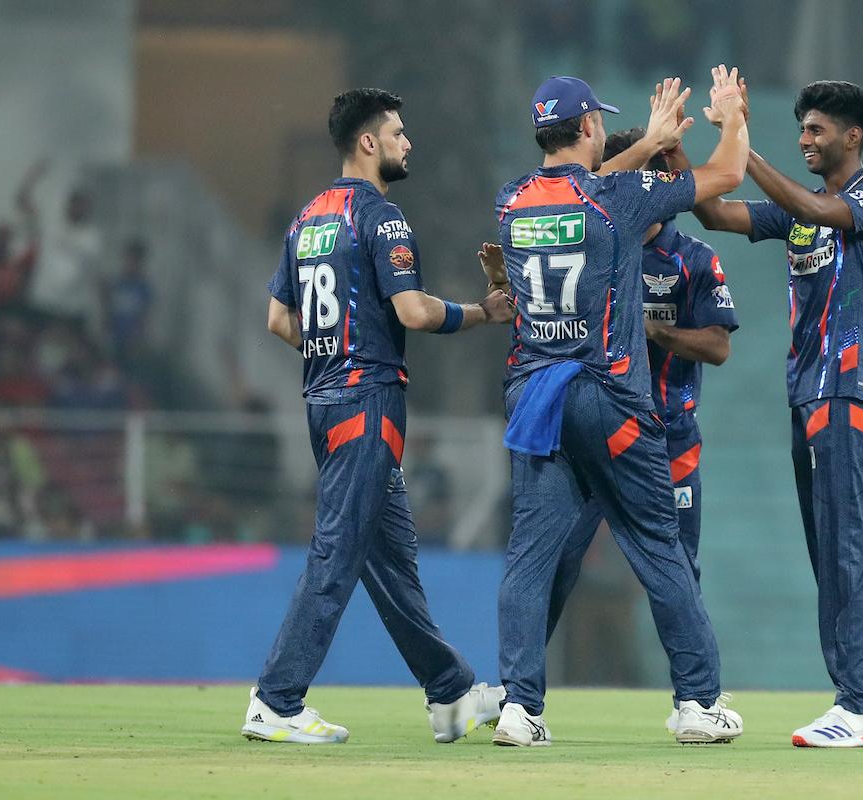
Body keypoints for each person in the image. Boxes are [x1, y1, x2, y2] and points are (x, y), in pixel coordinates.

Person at [243, 88, 514, 746]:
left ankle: (449, 694)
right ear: (369, 142)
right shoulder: (382, 217)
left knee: (389, 558)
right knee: (337, 551)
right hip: (368, 404)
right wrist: (485, 313)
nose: (406, 142)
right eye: (397, 132)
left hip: (325, 402)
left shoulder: (307, 218)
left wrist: (331, 355)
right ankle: (276, 700)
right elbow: (414, 313)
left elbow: (279, 319)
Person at [489, 67, 749, 747]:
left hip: (533, 397)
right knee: (659, 548)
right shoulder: (618, 200)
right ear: (587, 128)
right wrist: (731, 119)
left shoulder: (511, 200)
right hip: (608, 397)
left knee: (530, 557)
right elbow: (723, 177)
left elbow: (580, 187)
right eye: (598, 121)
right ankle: (697, 704)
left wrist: (642, 145)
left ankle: (519, 708)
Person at [678, 79, 863, 747]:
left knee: (844, 550)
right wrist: (673, 155)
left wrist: (741, 143)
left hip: (852, 389)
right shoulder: (802, 213)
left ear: (853, 137)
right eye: (801, 130)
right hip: (809, 392)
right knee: (829, 550)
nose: (806, 139)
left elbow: (810, 202)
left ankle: (857, 705)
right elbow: (717, 216)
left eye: (815, 130)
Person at [541, 126, 740, 733]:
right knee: (554, 562)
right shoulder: (597, 242)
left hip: (668, 435)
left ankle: (695, 698)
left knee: (678, 567)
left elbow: (717, 346)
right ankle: (519, 690)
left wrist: (652, 332)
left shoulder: (694, 260)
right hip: (595, 430)